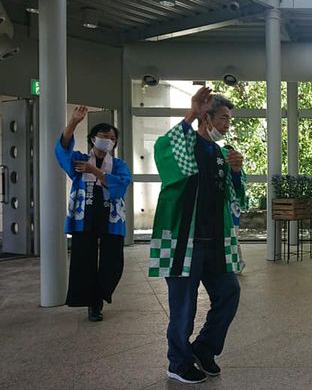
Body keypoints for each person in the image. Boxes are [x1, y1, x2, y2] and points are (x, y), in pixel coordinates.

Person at [149, 87, 246, 384]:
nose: (227, 125)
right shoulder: (185, 144)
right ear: (206, 118)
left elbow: (235, 199)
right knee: (184, 306)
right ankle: (177, 362)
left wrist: (236, 172)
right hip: (183, 242)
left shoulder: (221, 153)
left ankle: (204, 349)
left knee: (229, 292)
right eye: (223, 118)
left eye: (229, 120)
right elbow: (164, 150)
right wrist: (190, 113)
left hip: (215, 242)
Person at [55, 105, 131, 322]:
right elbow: (62, 152)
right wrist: (73, 123)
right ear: (92, 138)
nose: (107, 140)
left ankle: (101, 294)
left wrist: (94, 171)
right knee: (83, 262)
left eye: (112, 138)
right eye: (103, 136)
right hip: (84, 219)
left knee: (113, 263)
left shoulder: (118, 165)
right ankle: (92, 304)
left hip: (111, 220)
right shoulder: (79, 159)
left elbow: (121, 186)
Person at [223, 144, 248, 274]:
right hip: (221, 208)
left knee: (233, 237)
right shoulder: (219, 167)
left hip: (232, 209)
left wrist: (235, 170)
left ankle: (237, 263)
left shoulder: (238, 171)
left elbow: (239, 185)